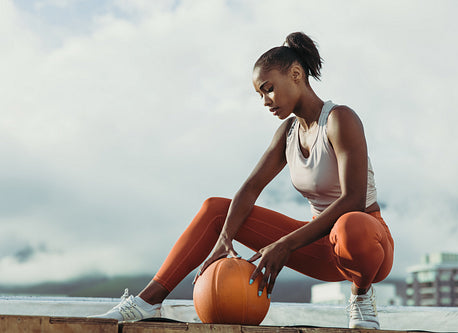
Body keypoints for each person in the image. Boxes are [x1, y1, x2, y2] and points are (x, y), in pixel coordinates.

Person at [90, 32, 394, 329]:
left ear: (297, 74)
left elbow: (353, 199)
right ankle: (147, 301)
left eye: (269, 88)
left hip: (367, 244)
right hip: (319, 246)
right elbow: (250, 188)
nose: (265, 101)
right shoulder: (287, 133)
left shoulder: (340, 119)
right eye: (260, 94)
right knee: (215, 208)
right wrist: (224, 238)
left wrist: (284, 245)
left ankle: (361, 296)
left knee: (350, 223)